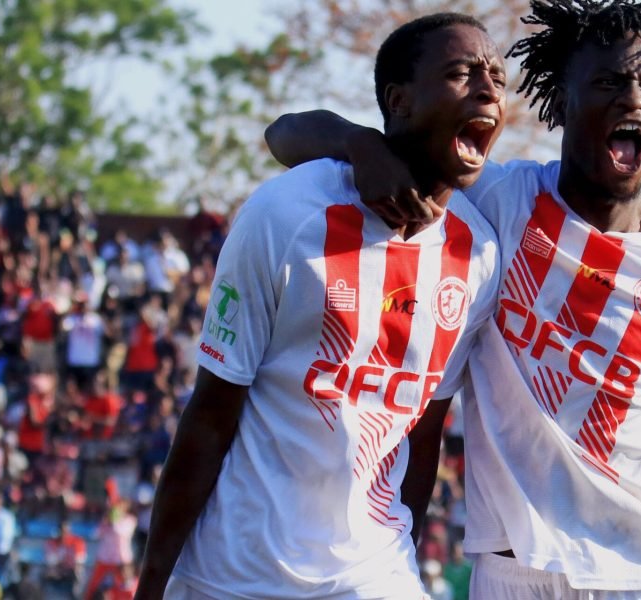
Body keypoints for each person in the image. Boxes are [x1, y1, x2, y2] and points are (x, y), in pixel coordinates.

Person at [266, 2, 641, 597]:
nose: (635, 100)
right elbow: (284, 135)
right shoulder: (495, 203)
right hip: (514, 573)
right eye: (609, 83)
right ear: (560, 103)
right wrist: (360, 145)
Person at [136, 13, 504, 599]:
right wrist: (151, 584)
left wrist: (400, 551)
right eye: (462, 73)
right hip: (237, 573)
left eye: (498, 79)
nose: (488, 89)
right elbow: (210, 413)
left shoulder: (481, 252)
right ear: (400, 101)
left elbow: (423, 432)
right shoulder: (286, 213)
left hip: (374, 572)